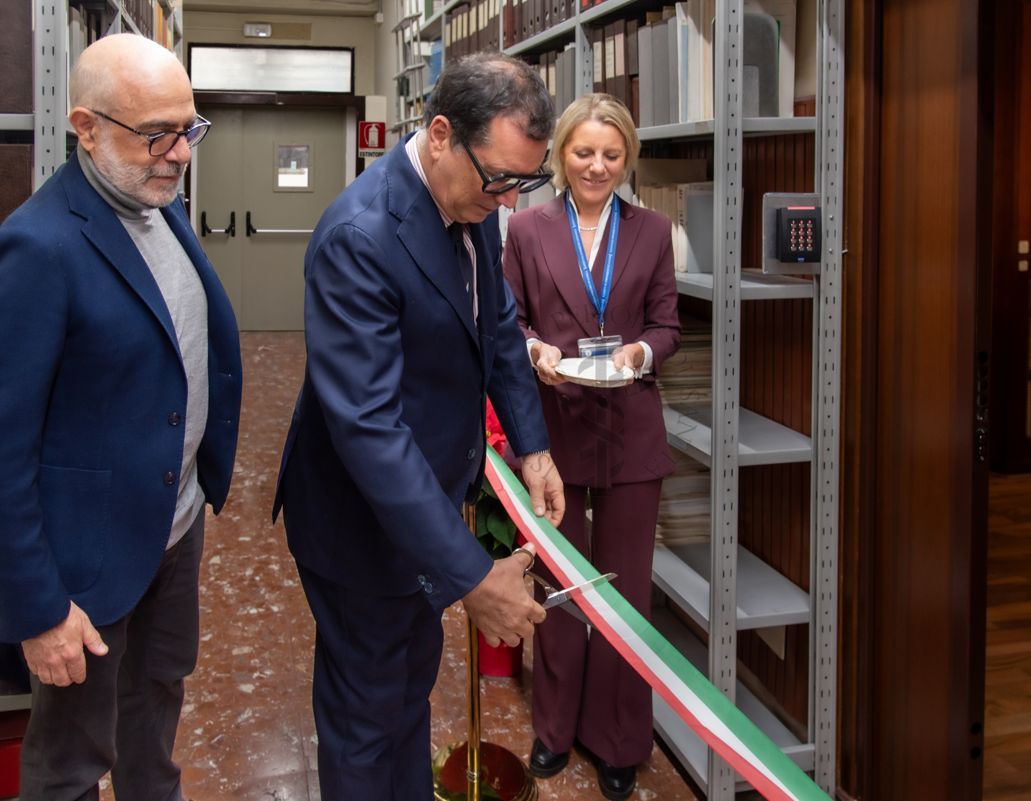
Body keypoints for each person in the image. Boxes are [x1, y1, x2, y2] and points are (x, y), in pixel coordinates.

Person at [272, 52, 566, 801]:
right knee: (366, 720)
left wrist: (531, 444)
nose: (505, 200)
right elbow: (368, 428)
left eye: (523, 184)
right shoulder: (359, 237)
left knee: (407, 697)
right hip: (361, 524)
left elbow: (497, 325)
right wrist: (472, 573)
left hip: (429, 505)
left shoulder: (474, 206)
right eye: (497, 178)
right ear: (440, 134)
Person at [0, 33, 243, 801]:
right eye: (155, 135)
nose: (178, 154)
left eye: (189, 129)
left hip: (171, 528)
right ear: (85, 126)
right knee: (72, 758)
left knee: (155, 713)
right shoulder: (37, 248)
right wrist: (39, 608)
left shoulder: (152, 201)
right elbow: (3, 451)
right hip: (85, 563)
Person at [502, 93, 681, 801]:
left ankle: (618, 739)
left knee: (626, 593)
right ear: (561, 155)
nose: (598, 166)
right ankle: (553, 728)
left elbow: (667, 324)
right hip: (557, 426)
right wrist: (534, 347)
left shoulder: (654, 229)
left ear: (627, 157)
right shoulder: (526, 229)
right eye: (584, 152)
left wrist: (640, 350)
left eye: (612, 154)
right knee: (561, 586)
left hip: (632, 428)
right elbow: (508, 323)